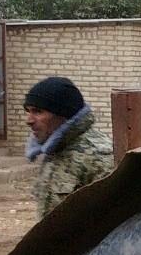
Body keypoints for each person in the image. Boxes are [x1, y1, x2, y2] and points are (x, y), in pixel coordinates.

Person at [23, 76, 113, 218]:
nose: (28, 120)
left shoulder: (99, 156)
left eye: (38, 111)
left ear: (63, 114)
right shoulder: (56, 151)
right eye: (28, 111)